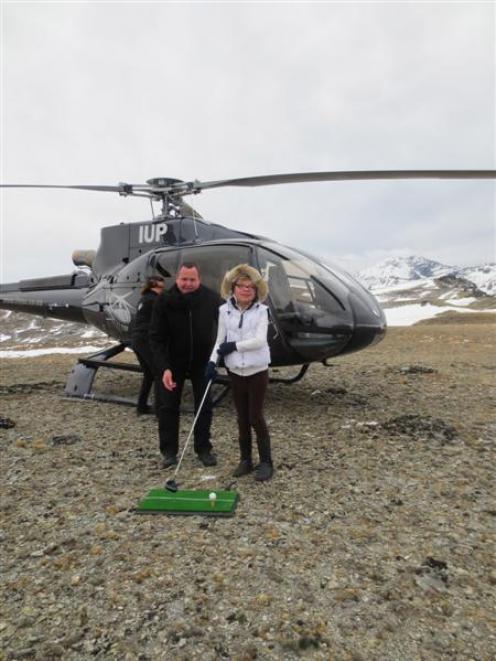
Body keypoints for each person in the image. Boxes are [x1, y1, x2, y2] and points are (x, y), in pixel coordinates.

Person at [149, 263, 222, 468]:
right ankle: (169, 452)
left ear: (199, 279)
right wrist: (164, 368)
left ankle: (204, 448)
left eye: (192, 280)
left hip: (202, 361)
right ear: (177, 278)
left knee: (204, 406)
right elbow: (156, 337)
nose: (188, 284)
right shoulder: (164, 300)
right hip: (172, 363)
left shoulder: (211, 298)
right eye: (184, 279)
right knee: (168, 406)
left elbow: (230, 319)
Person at [206, 264, 273, 481]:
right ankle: (246, 460)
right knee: (242, 418)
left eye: (250, 287)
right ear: (233, 288)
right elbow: (219, 340)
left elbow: (260, 340)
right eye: (241, 286)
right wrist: (212, 362)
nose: (246, 290)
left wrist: (234, 346)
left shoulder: (262, 311)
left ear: (256, 291)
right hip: (235, 371)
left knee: (255, 416)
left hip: (257, 370)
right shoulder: (223, 310)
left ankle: (266, 462)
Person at [130, 275, 165, 415]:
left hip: (137, 340)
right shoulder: (154, 301)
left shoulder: (143, 299)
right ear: (153, 287)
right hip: (145, 340)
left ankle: (141, 406)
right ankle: (160, 410)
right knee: (158, 373)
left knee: (149, 374)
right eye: (160, 287)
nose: (162, 290)